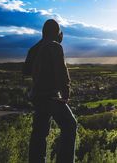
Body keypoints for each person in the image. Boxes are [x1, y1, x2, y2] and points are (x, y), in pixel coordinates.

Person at [23, 19, 77, 163]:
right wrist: (66, 93)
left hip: (37, 96)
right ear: (57, 33)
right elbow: (61, 71)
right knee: (70, 125)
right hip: (51, 96)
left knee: (39, 133)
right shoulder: (55, 46)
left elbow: (26, 71)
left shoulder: (34, 48)